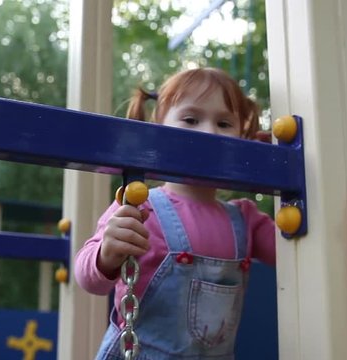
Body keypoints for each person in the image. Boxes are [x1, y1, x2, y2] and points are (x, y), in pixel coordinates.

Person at [74, 67, 276, 359]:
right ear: (159, 130)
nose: (208, 132)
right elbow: (88, 278)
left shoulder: (246, 220)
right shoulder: (139, 206)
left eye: (223, 123)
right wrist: (106, 255)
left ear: (240, 138)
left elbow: (297, 248)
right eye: (191, 119)